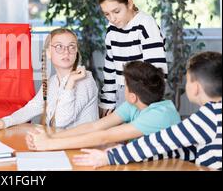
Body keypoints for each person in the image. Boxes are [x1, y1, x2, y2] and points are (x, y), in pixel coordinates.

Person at [73, 51, 222, 170]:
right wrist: (124, 151)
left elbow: (160, 141)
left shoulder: (210, 116)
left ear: (195, 87)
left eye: (188, 80)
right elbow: (181, 149)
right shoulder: (214, 115)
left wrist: (109, 157)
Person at [25, 61, 180, 151]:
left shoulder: (161, 114)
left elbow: (104, 135)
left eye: (124, 86)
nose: (122, 89)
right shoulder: (134, 105)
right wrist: (51, 136)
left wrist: (48, 145)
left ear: (132, 96)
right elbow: (94, 127)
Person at [0, 27, 99, 131]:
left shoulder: (85, 80)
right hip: (59, 143)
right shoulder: (52, 82)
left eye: (72, 46)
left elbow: (60, 122)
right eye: (59, 46)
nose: (66, 51)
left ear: (76, 53)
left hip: (81, 148)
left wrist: (70, 83)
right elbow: (32, 108)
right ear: (48, 53)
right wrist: (5, 121)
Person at [99, 0, 168, 116]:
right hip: (121, 93)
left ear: (129, 3)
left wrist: (147, 101)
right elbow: (110, 71)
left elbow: (157, 70)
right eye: (107, 14)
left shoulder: (145, 25)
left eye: (116, 11)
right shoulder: (111, 31)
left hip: (144, 96)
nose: (112, 18)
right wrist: (107, 102)